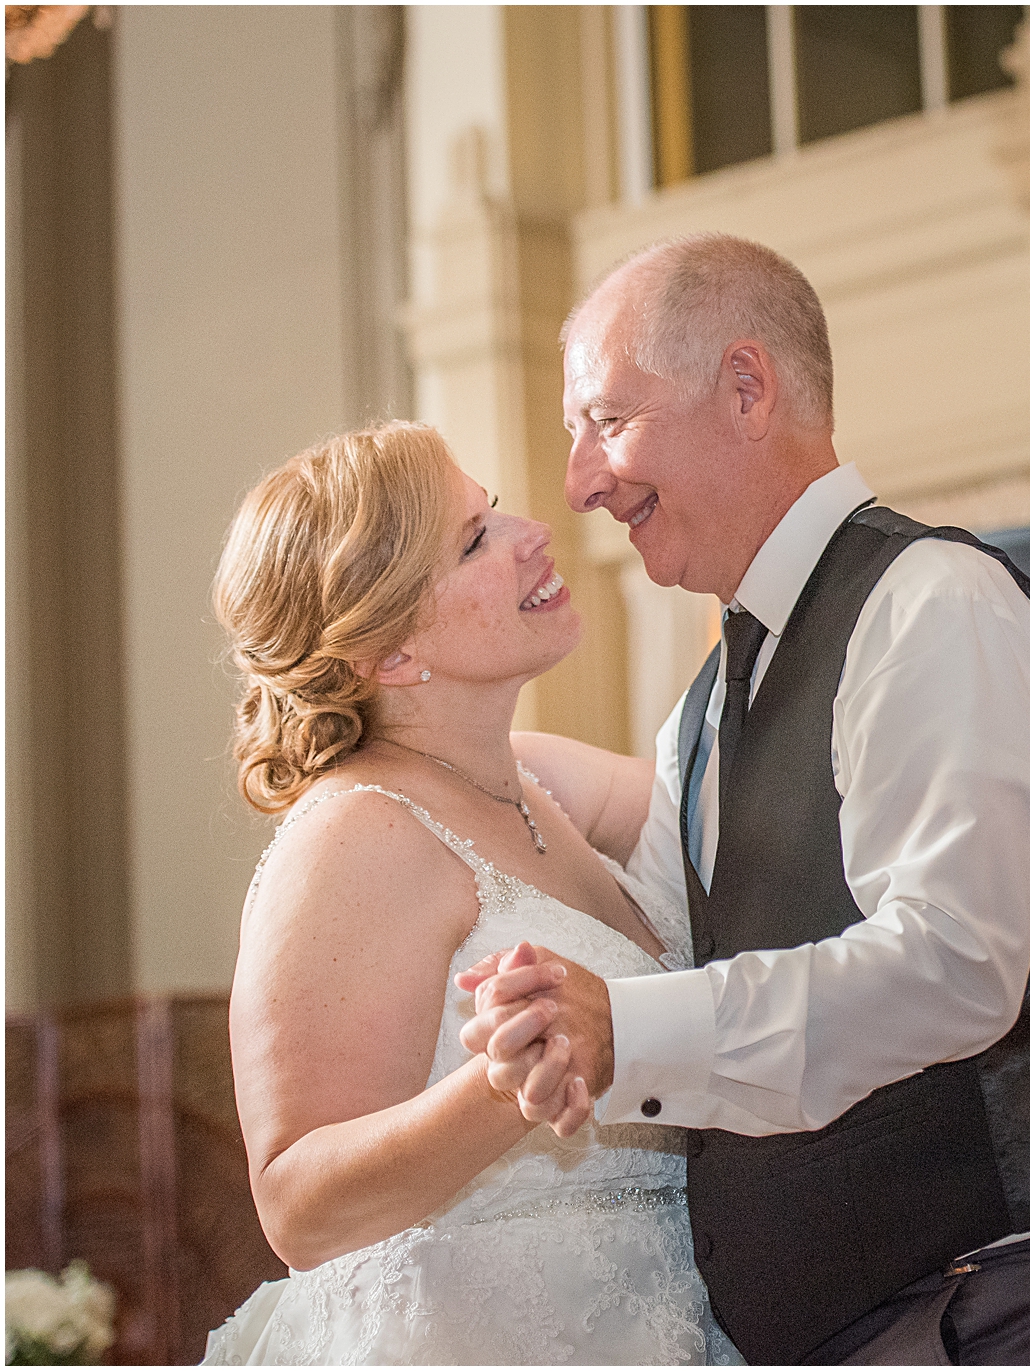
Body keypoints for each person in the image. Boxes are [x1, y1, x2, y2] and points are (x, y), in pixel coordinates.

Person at [457, 232, 1030, 1365]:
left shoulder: (927, 605)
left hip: (993, 1305)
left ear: (746, 388)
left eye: (606, 419)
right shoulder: (703, 706)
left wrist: (624, 1032)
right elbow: (673, 933)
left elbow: (950, 967)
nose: (581, 482)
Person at [202, 423, 740, 1365]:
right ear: (391, 652)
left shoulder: (540, 780)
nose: (533, 531)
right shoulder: (352, 833)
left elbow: (741, 812)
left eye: (493, 512)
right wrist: (502, 1089)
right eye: (475, 540)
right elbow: (298, 1203)